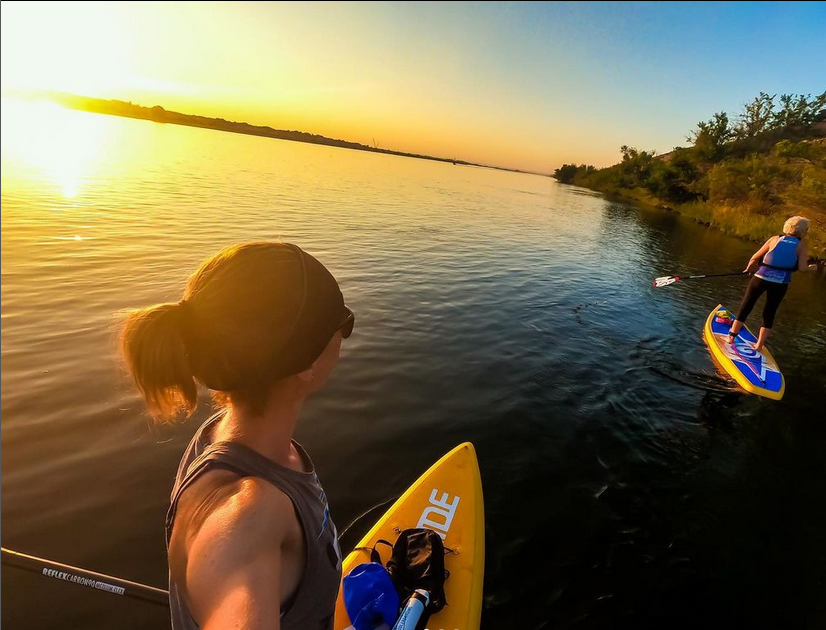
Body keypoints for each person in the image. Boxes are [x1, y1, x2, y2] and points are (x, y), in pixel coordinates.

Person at [120, 242, 353, 630]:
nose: (345, 335)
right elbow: (234, 549)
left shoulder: (212, 435)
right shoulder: (251, 516)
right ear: (307, 360)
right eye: (343, 322)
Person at [728, 216, 817, 351]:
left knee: (746, 306)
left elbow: (754, 257)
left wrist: (749, 268)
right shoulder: (801, 245)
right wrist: (813, 268)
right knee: (769, 312)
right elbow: (802, 268)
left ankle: (731, 337)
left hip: (759, 279)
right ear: (804, 231)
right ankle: (758, 346)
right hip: (780, 284)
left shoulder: (774, 239)